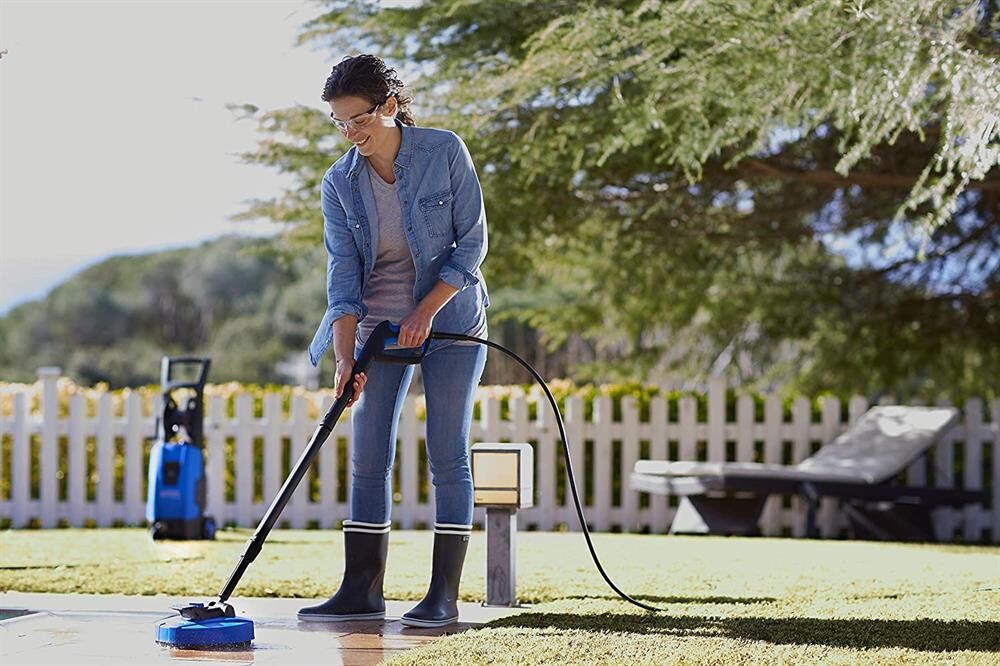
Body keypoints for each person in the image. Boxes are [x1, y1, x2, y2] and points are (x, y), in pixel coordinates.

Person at [298, 54, 490, 629]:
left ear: (388, 107)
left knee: (447, 452)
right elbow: (344, 275)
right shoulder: (340, 182)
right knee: (368, 454)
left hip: (452, 319)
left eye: (357, 119)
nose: (349, 133)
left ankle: (442, 596)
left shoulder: (444, 151)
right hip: (378, 325)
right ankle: (362, 590)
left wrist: (426, 311)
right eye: (338, 122)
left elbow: (471, 244)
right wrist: (345, 352)